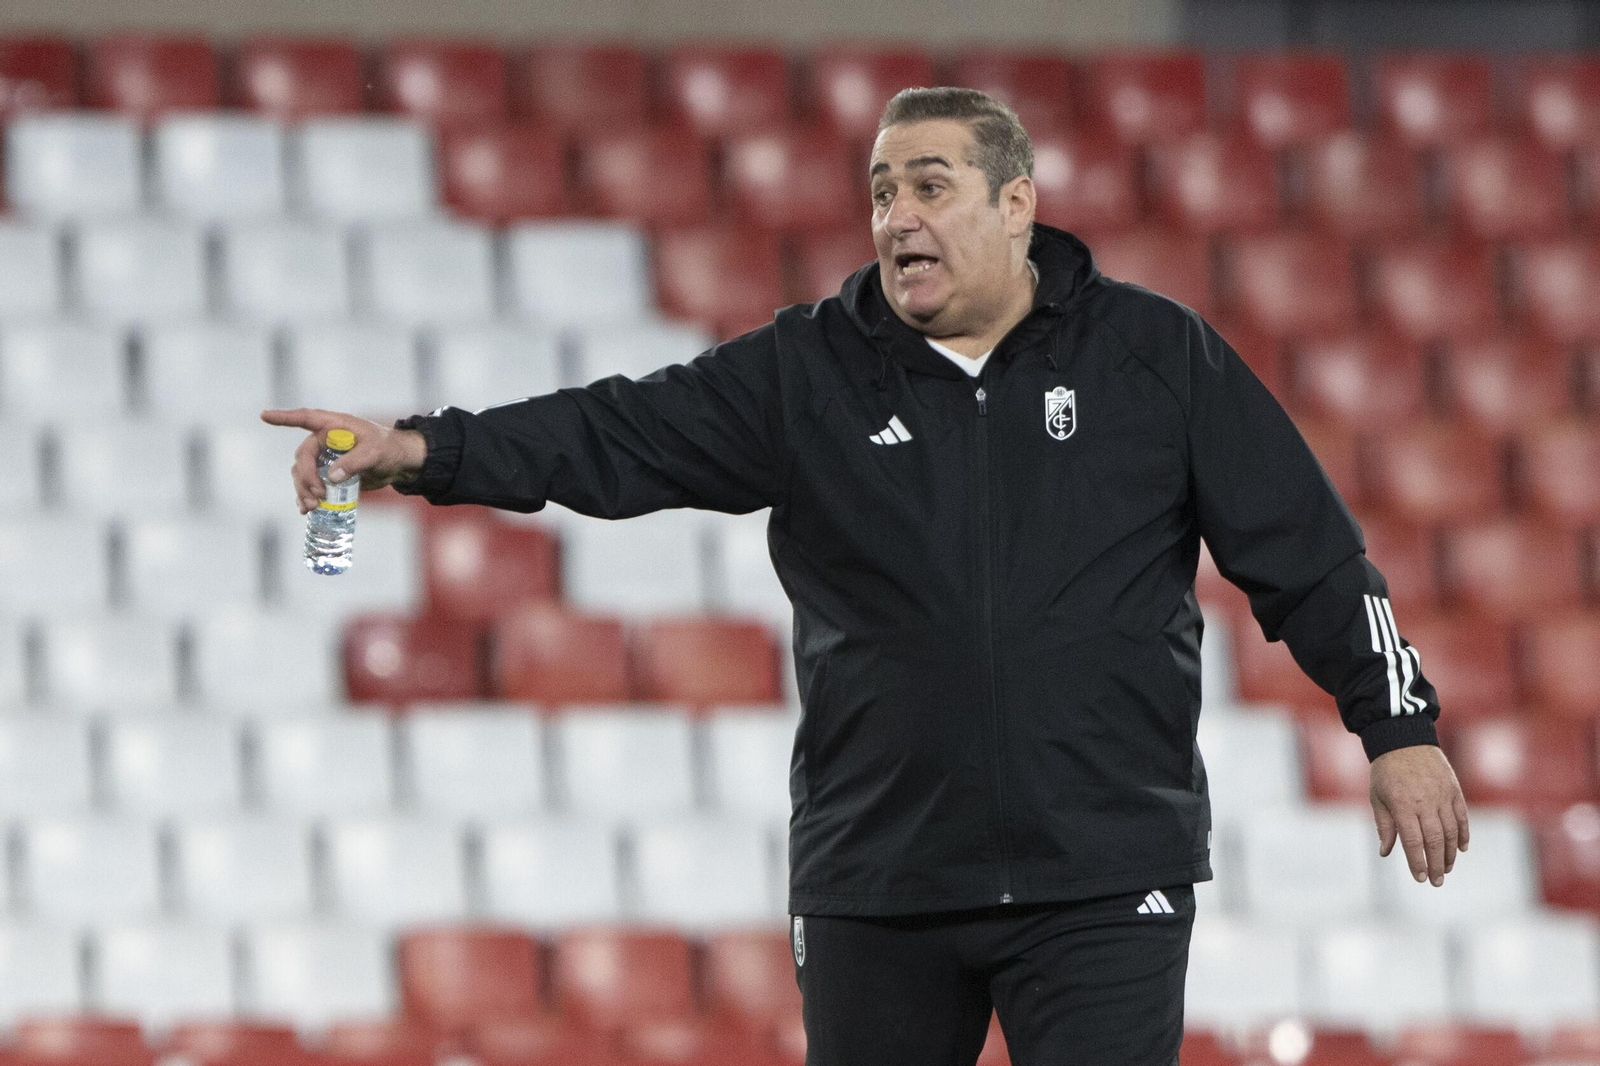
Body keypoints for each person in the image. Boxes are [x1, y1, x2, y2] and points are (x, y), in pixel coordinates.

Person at [263, 87, 1470, 1066]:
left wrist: (1396, 724)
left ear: (1016, 204)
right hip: (878, 883)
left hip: (1102, 878)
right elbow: (611, 433)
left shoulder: (1155, 358)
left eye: (929, 186)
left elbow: (1309, 554)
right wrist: (419, 450)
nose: (897, 213)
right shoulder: (809, 370)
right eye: (882, 190)